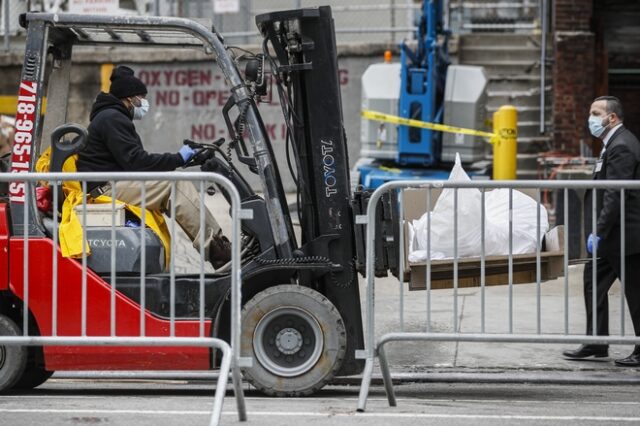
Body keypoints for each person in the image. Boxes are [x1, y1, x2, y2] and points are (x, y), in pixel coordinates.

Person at [76, 65, 231, 269]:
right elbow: (137, 162)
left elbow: (136, 162)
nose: (143, 103)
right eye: (141, 97)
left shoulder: (111, 117)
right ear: (129, 98)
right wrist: (178, 158)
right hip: (106, 189)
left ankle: (219, 247)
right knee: (174, 187)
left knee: (171, 182)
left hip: (112, 184)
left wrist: (182, 159)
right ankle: (220, 253)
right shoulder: (112, 118)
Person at [563, 96, 640, 366]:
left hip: (625, 237)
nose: (590, 119)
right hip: (612, 238)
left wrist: (599, 231)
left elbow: (614, 194)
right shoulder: (611, 145)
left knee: (635, 293)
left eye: (596, 113)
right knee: (592, 282)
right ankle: (596, 343)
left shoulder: (622, 146)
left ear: (612, 118)